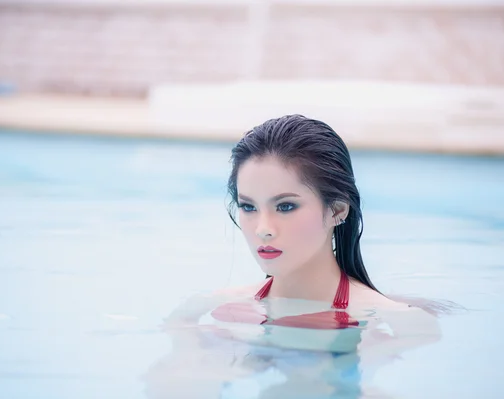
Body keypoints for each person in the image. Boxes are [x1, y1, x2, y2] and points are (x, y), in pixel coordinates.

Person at [143, 115, 447, 398]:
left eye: (285, 206)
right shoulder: (203, 307)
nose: (263, 229)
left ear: (337, 210)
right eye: (248, 206)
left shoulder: (402, 321)